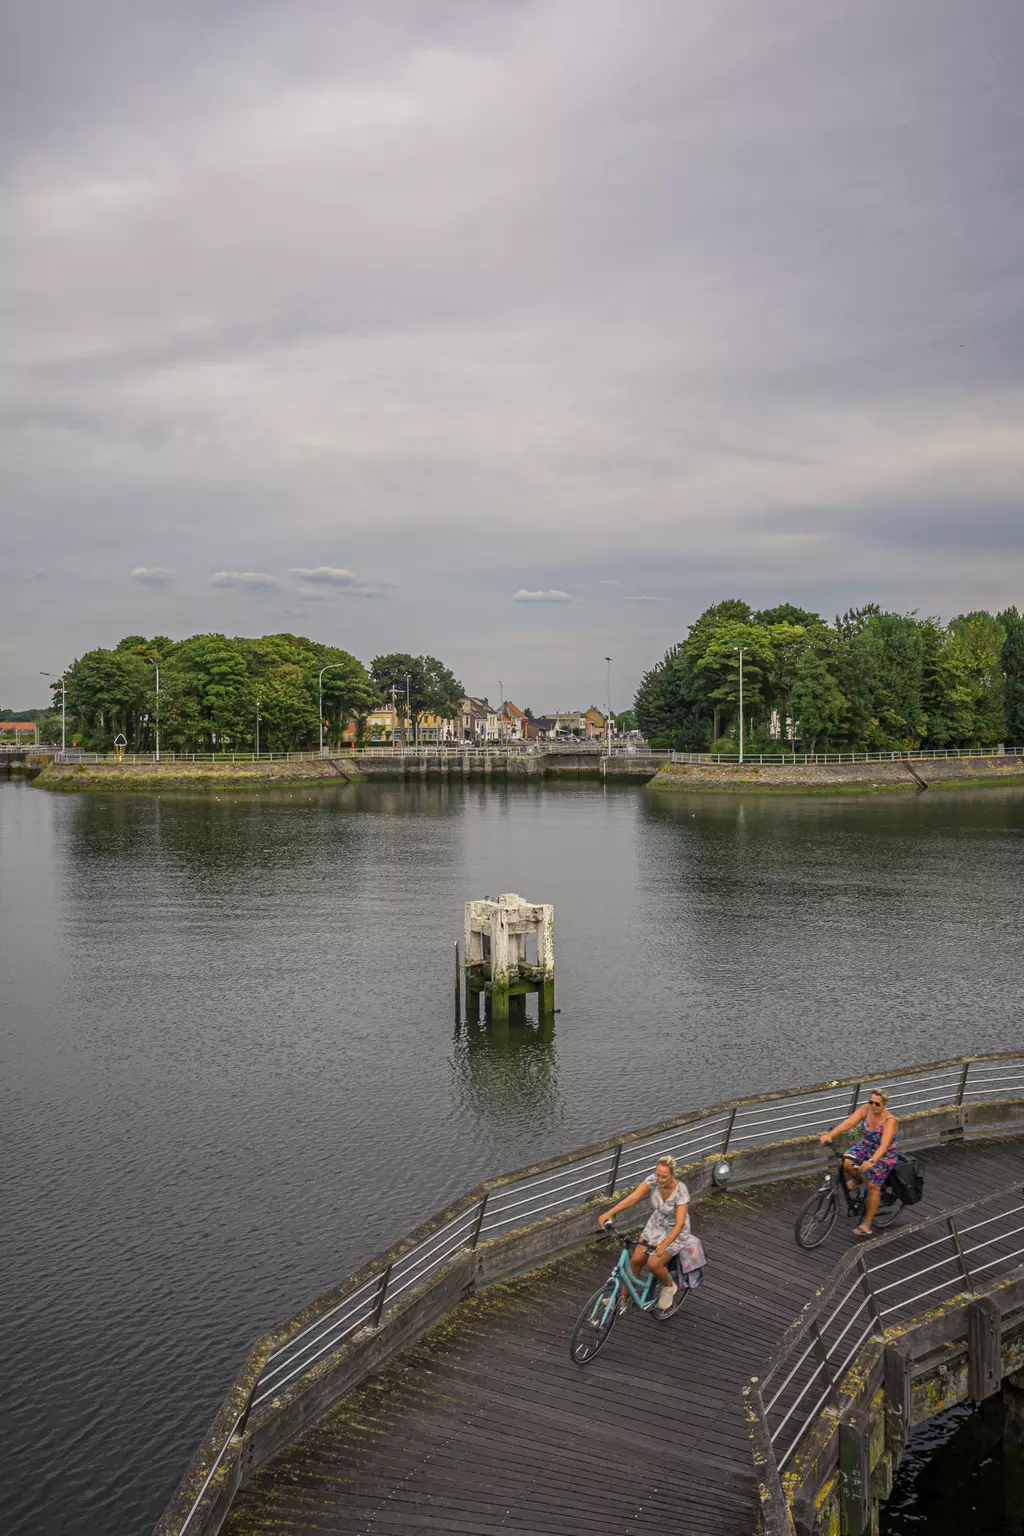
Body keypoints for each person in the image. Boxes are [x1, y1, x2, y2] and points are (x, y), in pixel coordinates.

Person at [598, 1154, 692, 1310]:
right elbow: (633, 1197)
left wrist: (664, 1244)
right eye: (658, 1175)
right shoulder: (653, 1180)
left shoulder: (681, 1191)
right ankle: (621, 1299)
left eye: (664, 1176)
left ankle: (669, 1286)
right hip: (656, 1225)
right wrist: (610, 1213)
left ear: (672, 1175)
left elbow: (680, 1223)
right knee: (636, 1260)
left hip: (675, 1231)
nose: (660, 1180)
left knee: (654, 1263)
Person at [819, 1089, 899, 1237]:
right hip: (865, 1146)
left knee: (873, 1185)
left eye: (877, 1103)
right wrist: (830, 1135)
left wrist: (872, 1161)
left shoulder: (889, 1121)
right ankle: (857, 1179)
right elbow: (849, 1122)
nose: (873, 1106)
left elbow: (884, 1145)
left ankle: (867, 1223)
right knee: (845, 1163)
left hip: (884, 1155)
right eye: (871, 1102)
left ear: (884, 1104)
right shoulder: (865, 1109)